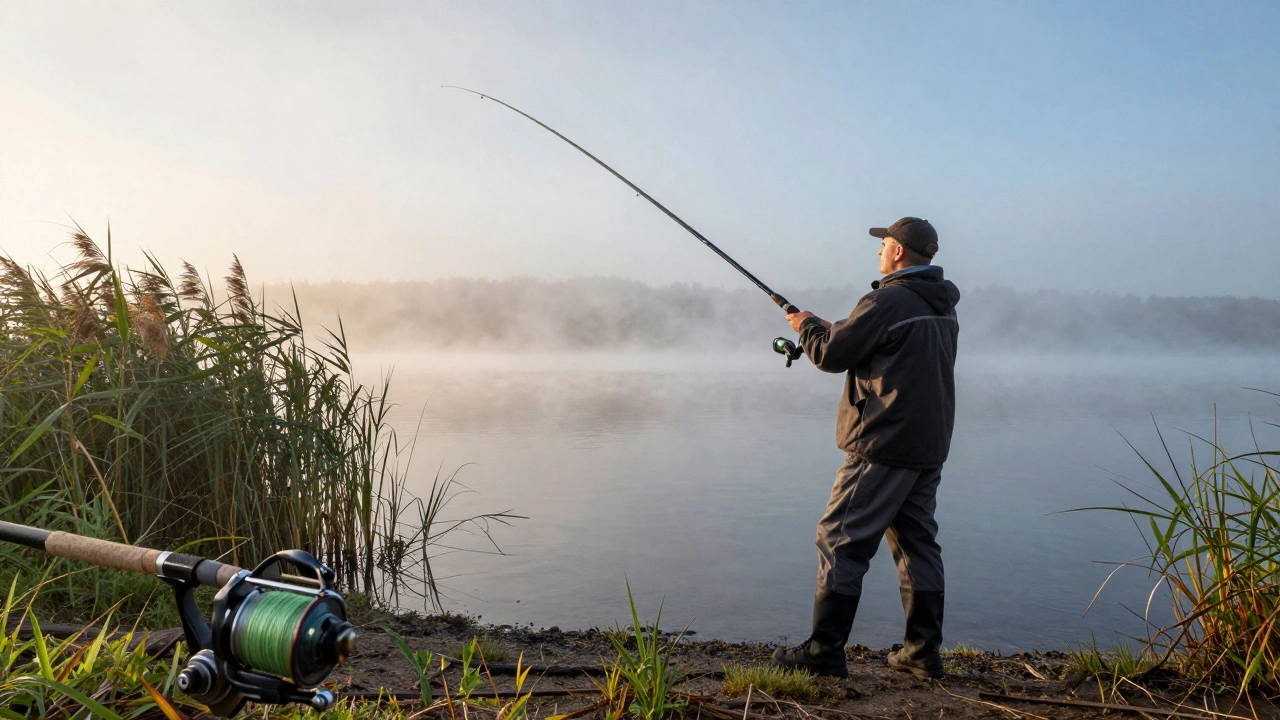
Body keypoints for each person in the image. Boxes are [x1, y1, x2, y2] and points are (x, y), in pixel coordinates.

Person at [771, 217, 960, 680]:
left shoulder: (886, 299)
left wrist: (806, 328)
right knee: (918, 547)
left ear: (897, 252)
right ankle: (921, 653)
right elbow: (880, 345)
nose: (878, 252)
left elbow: (831, 356)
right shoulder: (942, 306)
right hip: (927, 446)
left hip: (881, 444)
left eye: (884, 245)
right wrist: (823, 325)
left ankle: (823, 652)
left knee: (838, 539)